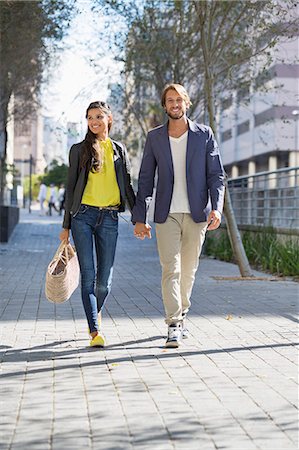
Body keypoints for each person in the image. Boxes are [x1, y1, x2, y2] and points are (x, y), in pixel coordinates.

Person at [132, 83, 225, 348]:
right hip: (166, 213)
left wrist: (216, 207)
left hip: (197, 214)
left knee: (189, 271)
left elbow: (216, 175)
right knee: (170, 268)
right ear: (164, 106)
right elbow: (146, 178)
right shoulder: (155, 137)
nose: (174, 104)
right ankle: (173, 323)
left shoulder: (204, 135)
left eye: (179, 100)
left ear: (186, 103)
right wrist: (141, 217)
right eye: (169, 100)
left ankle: (182, 313)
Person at [59, 101, 135, 347]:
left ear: (109, 119)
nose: (94, 121)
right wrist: (65, 226)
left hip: (110, 217)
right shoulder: (79, 149)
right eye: (90, 117)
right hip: (82, 216)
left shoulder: (118, 149)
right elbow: (70, 190)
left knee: (105, 280)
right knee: (88, 274)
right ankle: (94, 330)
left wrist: (139, 217)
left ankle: (95, 310)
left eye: (99, 116)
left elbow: (128, 186)